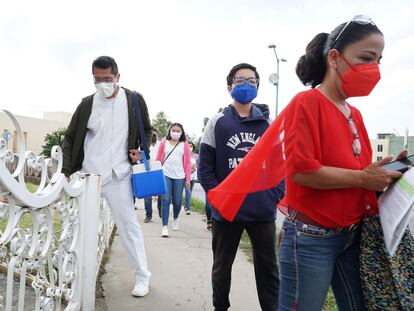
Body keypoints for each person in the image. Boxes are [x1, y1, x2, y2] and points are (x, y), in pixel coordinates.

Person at [275, 16, 404, 310]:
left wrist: (389, 172)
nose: (375, 69)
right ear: (334, 58)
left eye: (379, 60)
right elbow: (301, 171)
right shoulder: (306, 103)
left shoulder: (354, 113)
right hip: (311, 238)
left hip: (351, 234)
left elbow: (359, 173)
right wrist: (364, 178)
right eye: (367, 58)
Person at [62, 55, 152, 298]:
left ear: (118, 77)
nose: (103, 83)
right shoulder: (87, 104)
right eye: (97, 79)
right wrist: (67, 172)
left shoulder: (133, 99)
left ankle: (142, 276)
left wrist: (140, 152)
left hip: (120, 174)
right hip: (91, 174)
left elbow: (147, 130)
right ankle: (73, 276)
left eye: (108, 79)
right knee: (79, 226)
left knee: (129, 227)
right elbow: (70, 137)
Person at [198, 63, 285, 311]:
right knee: (222, 267)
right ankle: (220, 307)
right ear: (229, 87)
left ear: (258, 86)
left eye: (252, 81)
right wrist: (218, 199)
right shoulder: (218, 122)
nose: (246, 85)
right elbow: (205, 167)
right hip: (227, 211)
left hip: (262, 212)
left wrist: (272, 198)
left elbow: (282, 167)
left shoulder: (269, 122)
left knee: (269, 270)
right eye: (239, 81)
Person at [156, 123, 191, 237]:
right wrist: (156, 174)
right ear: (169, 131)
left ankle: (175, 218)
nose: (175, 132)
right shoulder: (163, 143)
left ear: (181, 133)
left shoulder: (184, 145)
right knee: (165, 200)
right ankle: (164, 227)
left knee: (177, 202)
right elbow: (158, 159)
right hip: (165, 174)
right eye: (173, 130)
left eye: (178, 131)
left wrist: (188, 179)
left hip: (179, 176)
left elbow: (187, 163)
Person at [143, 128, 162, 223]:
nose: (153, 136)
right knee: (147, 196)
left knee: (161, 194)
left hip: (159, 171)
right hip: (147, 172)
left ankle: (160, 208)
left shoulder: (161, 145)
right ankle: (148, 215)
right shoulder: (144, 145)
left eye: (155, 135)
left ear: (157, 135)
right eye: (152, 135)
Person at [183, 141, 198, 215]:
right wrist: (189, 169)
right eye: (188, 146)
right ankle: (188, 208)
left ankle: (186, 205)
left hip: (194, 176)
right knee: (188, 191)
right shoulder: (184, 155)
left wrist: (194, 168)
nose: (190, 147)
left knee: (190, 192)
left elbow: (199, 164)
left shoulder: (196, 156)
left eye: (191, 146)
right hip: (187, 176)